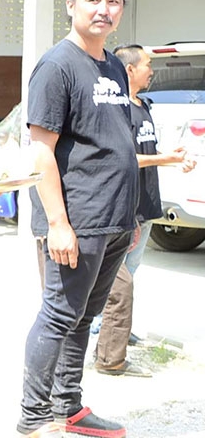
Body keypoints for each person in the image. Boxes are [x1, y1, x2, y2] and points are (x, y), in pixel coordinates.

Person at [16, 0, 139, 438]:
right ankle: (32, 417)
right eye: (93, 0)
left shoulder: (112, 65)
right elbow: (41, 149)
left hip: (114, 219)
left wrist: (132, 218)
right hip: (78, 218)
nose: (103, 9)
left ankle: (68, 407)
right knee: (59, 315)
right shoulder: (57, 65)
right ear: (71, 5)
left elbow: (114, 143)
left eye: (113, 1)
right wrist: (58, 224)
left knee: (85, 318)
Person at [92, 44, 195, 378]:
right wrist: (163, 159)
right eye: (148, 64)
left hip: (147, 203)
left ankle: (117, 329)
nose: (153, 70)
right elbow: (123, 158)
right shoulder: (119, 110)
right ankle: (102, 336)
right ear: (131, 69)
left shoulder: (143, 105)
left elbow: (145, 150)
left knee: (129, 274)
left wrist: (171, 156)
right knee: (114, 278)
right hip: (127, 207)